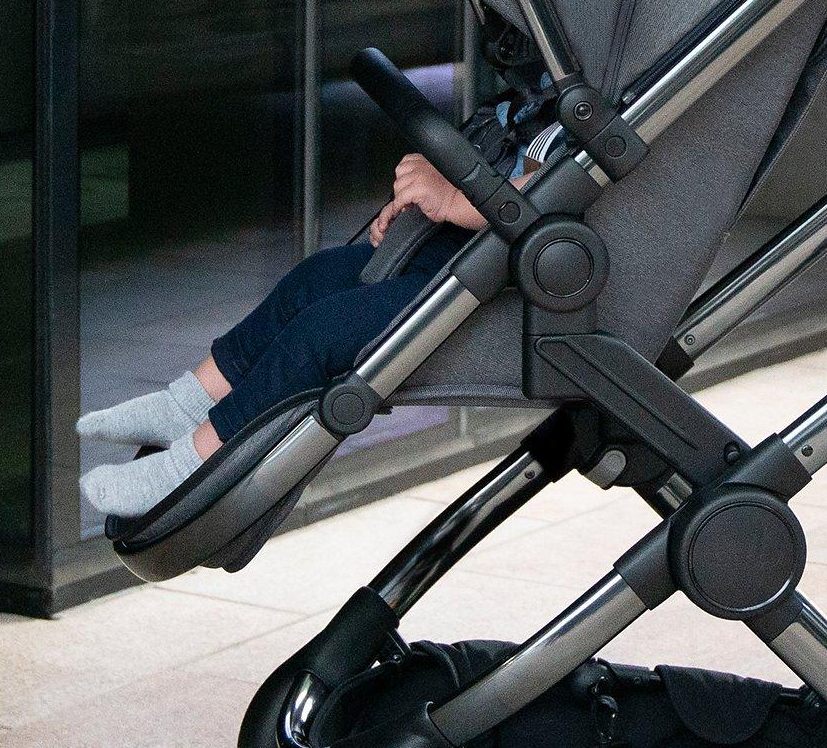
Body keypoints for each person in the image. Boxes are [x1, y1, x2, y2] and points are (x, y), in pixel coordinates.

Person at [77, 108, 554, 521]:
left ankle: (192, 466)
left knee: (324, 332)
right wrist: (425, 204)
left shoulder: (593, 119)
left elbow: (557, 192)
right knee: (316, 277)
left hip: (519, 287)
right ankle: (187, 404)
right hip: (480, 243)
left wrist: (452, 199)